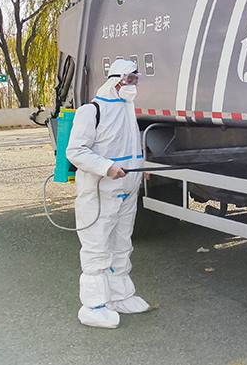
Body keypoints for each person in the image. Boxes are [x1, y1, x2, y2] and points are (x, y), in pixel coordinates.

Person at [66, 59, 150, 329]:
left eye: (136, 79)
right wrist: (107, 167)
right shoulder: (91, 111)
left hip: (127, 189)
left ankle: (120, 295)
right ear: (117, 80)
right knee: (97, 248)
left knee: (122, 244)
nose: (133, 85)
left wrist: (141, 167)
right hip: (100, 193)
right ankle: (93, 306)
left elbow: (130, 143)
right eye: (130, 79)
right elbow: (75, 151)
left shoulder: (127, 108)